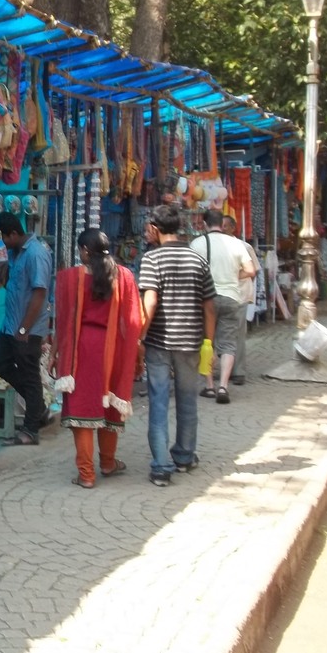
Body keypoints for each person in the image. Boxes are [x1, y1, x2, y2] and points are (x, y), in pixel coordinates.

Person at [54, 228, 144, 488]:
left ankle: (86, 474)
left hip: (82, 349)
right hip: (113, 348)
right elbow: (135, 319)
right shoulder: (124, 276)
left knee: (82, 408)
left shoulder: (71, 278)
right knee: (109, 405)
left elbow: (63, 320)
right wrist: (135, 353)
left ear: (84, 251)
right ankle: (107, 462)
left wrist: (57, 352)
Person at [138, 202, 216, 487]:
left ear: (155, 228)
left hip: (159, 342)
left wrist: (140, 336)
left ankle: (161, 466)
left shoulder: (152, 259)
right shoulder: (197, 259)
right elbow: (210, 307)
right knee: (187, 399)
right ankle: (184, 456)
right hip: (191, 342)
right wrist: (209, 343)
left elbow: (150, 302)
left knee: (158, 401)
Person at [0, 212, 53, 445]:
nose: (2, 243)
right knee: (1, 365)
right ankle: (39, 409)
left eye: (3, 238)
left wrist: (24, 329)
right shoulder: (13, 253)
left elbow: (40, 293)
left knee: (30, 376)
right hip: (10, 325)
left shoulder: (36, 253)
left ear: (14, 234)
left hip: (28, 328)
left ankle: (30, 431)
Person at [191, 209, 255, 404]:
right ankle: (224, 386)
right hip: (231, 297)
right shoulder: (236, 243)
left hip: (207, 298)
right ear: (221, 223)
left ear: (205, 224)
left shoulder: (198, 243)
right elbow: (251, 270)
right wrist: (234, 277)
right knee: (228, 343)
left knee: (207, 341)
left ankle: (210, 385)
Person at [222, 214, 261, 385]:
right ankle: (224, 369)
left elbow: (254, 270)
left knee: (238, 333)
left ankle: (238, 371)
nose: (222, 229)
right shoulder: (216, 247)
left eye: (225, 226)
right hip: (220, 294)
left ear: (233, 228)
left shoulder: (244, 246)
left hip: (240, 294)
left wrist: (235, 277)